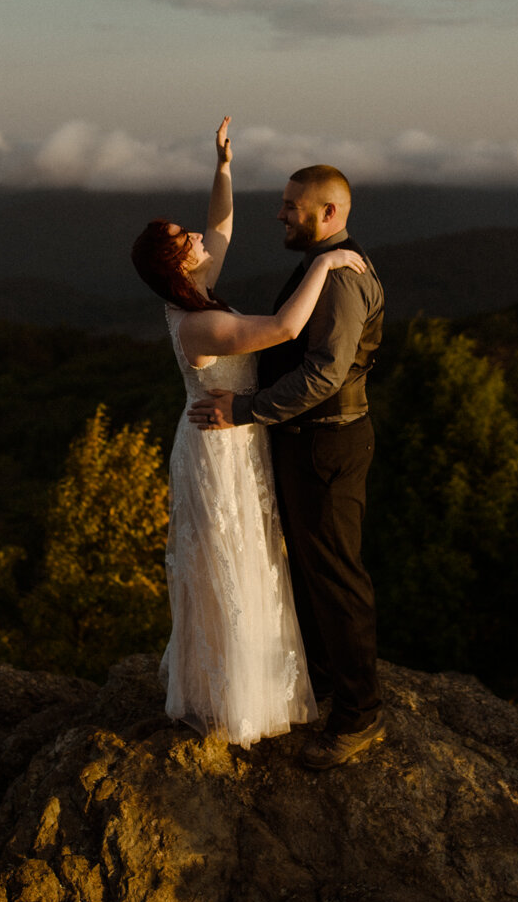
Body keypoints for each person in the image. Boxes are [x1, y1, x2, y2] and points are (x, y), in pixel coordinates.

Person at [130, 116, 367, 747]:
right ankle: (234, 697)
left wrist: (224, 168)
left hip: (237, 435)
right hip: (220, 444)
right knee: (234, 563)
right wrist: (331, 262)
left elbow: (221, 227)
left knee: (255, 560)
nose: (199, 237)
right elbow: (287, 329)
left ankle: (264, 684)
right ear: (178, 263)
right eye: (185, 238)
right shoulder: (197, 325)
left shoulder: (196, 290)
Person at [186, 160, 386, 770]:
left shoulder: (342, 279)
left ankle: (359, 717)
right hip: (307, 439)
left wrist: (247, 409)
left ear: (329, 214)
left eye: (291, 206)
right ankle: (323, 683)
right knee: (307, 567)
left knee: (335, 575)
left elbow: (325, 374)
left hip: (329, 440)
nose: (280, 212)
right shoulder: (320, 265)